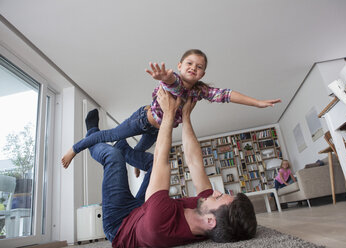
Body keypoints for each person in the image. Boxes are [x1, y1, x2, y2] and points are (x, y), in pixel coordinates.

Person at [73, 86, 257, 247]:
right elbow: (194, 162)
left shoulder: (159, 223)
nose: (215, 192)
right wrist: (185, 116)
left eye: (218, 198)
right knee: (148, 162)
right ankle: (123, 148)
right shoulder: (207, 213)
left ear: (210, 221)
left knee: (113, 157)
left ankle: (92, 134)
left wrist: (169, 113)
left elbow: (162, 159)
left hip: (121, 222)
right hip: (144, 208)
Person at [61, 49, 281, 177]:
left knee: (142, 148)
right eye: (189, 63)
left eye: (200, 66)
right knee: (112, 135)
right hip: (141, 120)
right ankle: (75, 148)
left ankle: (136, 164)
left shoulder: (201, 90)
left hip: (159, 129)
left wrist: (257, 103)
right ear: (180, 65)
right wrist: (163, 77)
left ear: (203, 72)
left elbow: (226, 94)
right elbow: (173, 83)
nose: (194, 67)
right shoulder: (174, 80)